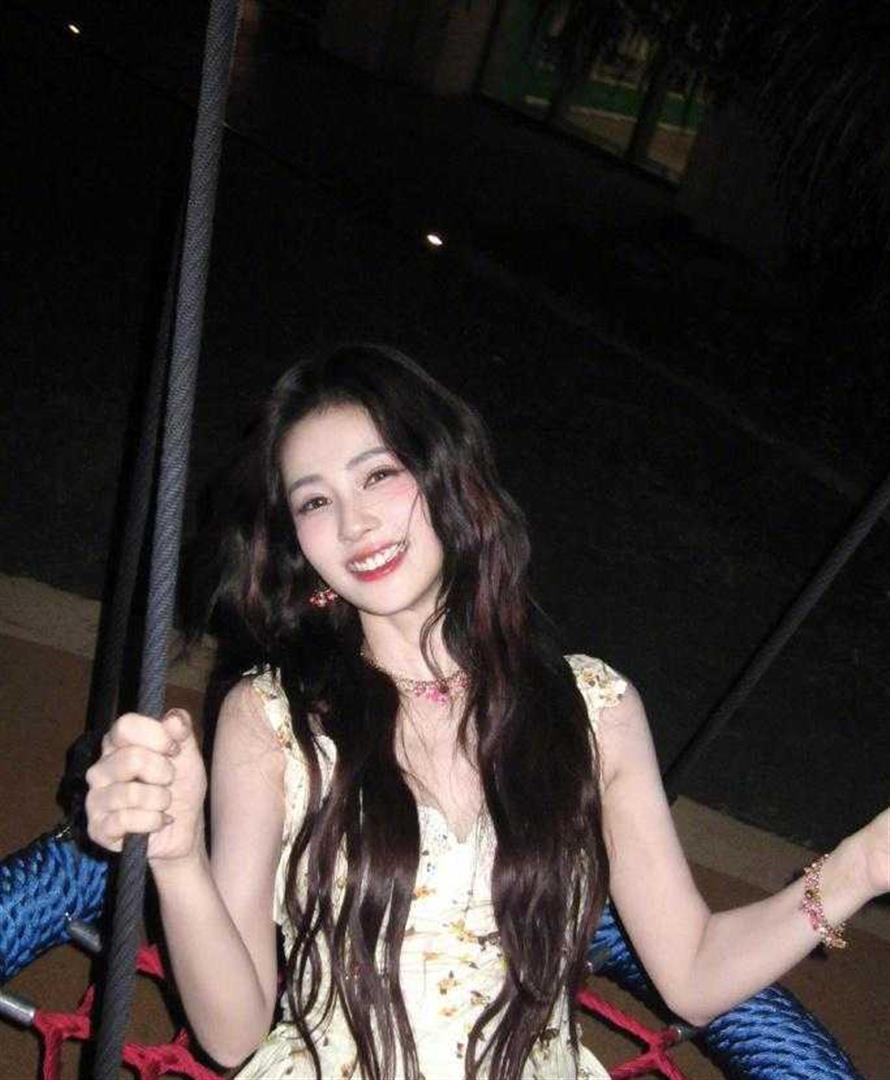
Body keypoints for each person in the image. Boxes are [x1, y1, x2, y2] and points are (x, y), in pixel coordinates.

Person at [85, 344, 889, 1080]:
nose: (356, 524)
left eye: (378, 475)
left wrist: (865, 865)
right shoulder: (271, 719)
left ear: (445, 475)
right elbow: (231, 1034)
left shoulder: (593, 712)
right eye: (316, 501)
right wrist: (177, 859)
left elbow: (694, 971)